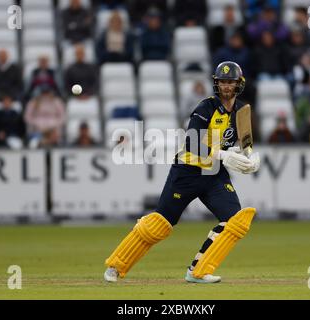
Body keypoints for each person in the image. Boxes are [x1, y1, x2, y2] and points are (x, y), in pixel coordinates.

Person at [104, 61, 260, 284]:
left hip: (214, 175)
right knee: (160, 224)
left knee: (236, 221)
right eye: (222, 82)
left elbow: (245, 139)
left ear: (239, 84)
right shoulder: (205, 108)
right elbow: (192, 142)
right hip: (187, 172)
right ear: (216, 84)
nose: (226, 86)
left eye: (231, 82)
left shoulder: (242, 110)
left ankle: (198, 271)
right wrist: (224, 155)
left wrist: (251, 156)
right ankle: (116, 266)